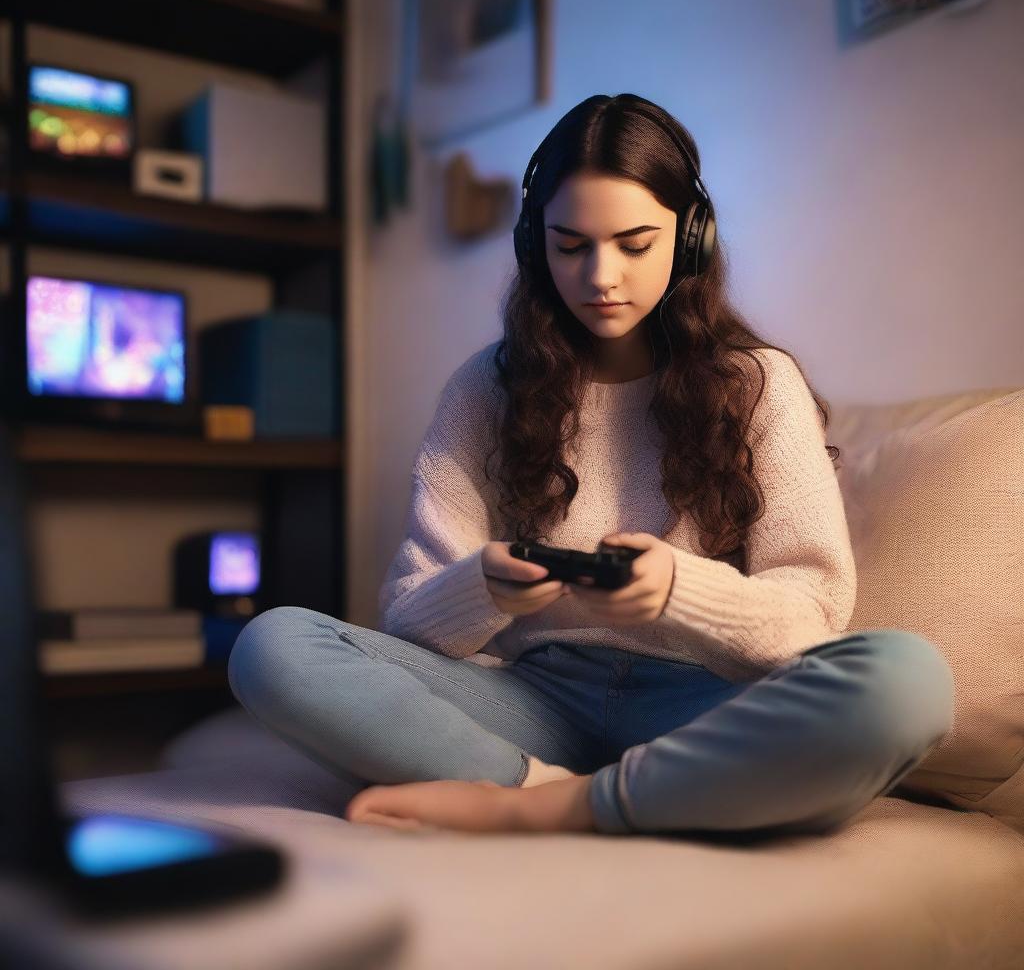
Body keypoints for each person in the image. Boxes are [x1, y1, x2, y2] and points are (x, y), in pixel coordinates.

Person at [227, 93, 954, 838]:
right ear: (533, 245)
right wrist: (485, 584)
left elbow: (814, 617)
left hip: (702, 703)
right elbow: (409, 622)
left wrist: (678, 592)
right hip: (532, 700)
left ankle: (548, 805)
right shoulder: (486, 388)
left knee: (908, 683)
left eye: (635, 244)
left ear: (691, 236)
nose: (601, 276)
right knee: (271, 646)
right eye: (570, 246)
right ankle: (555, 782)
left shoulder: (757, 384)